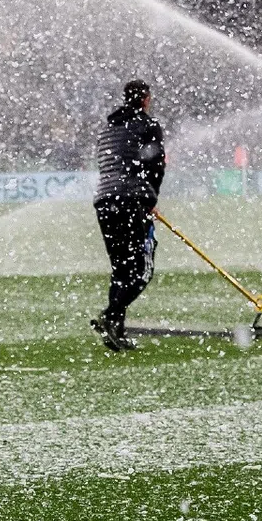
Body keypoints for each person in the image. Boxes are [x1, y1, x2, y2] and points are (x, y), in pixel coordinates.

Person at [90, 80, 165, 352]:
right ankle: (111, 315)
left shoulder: (107, 129)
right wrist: (150, 198)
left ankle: (116, 332)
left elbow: (108, 164)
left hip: (105, 200)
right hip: (132, 200)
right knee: (142, 271)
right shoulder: (148, 125)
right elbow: (155, 165)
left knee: (120, 269)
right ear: (145, 98)